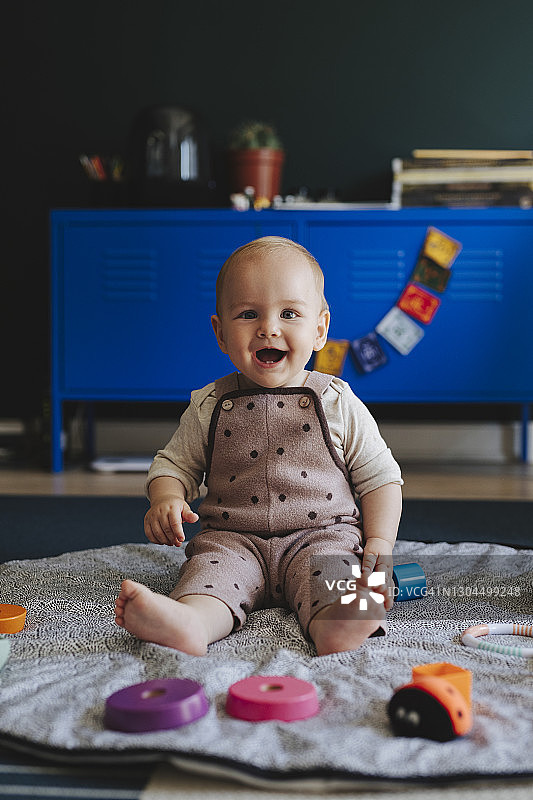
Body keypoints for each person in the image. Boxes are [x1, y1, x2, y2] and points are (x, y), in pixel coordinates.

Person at [115, 236, 403, 656]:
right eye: (248, 314)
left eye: (289, 313)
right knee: (208, 578)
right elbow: (173, 465)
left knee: (338, 575)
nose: (268, 328)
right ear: (220, 333)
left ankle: (341, 623)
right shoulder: (209, 404)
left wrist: (379, 542)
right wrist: (167, 498)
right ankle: (191, 623)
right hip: (233, 540)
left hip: (322, 536)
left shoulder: (337, 401)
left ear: (319, 329)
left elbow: (381, 478)